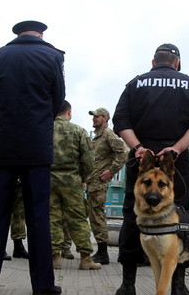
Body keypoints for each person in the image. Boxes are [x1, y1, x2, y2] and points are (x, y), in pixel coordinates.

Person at [0, 20, 65, 295]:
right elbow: (57, 99)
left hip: (2, 143)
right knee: (38, 215)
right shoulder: (53, 56)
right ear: (40, 34)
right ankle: (43, 285)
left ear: (18, 34)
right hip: (36, 146)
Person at [112, 43, 189, 295]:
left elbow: (120, 120)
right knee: (179, 220)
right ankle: (178, 285)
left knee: (132, 216)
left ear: (153, 62)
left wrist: (138, 147)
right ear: (176, 63)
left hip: (141, 160)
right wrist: (176, 149)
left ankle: (127, 284)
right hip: (173, 163)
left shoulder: (135, 83)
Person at [50, 101, 101, 270]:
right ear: (69, 112)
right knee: (78, 219)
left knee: (53, 218)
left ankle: (55, 258)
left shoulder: (43, 129)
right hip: (72, 182)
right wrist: (83, 178)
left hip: (48, 181)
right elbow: (88, 160)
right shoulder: (79, 131)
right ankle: (86, 259)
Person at [86, 107, 128, 265]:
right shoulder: (97, 137)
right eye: (94, 117)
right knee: (94, 216)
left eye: (97, 116)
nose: (94, 119)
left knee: (97, 216)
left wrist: (111, 171)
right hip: (92, 183)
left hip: (99, 183)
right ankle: (100, 251)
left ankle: (103, 253)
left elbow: (123, 153)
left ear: (105, 118)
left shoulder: (108, 135)